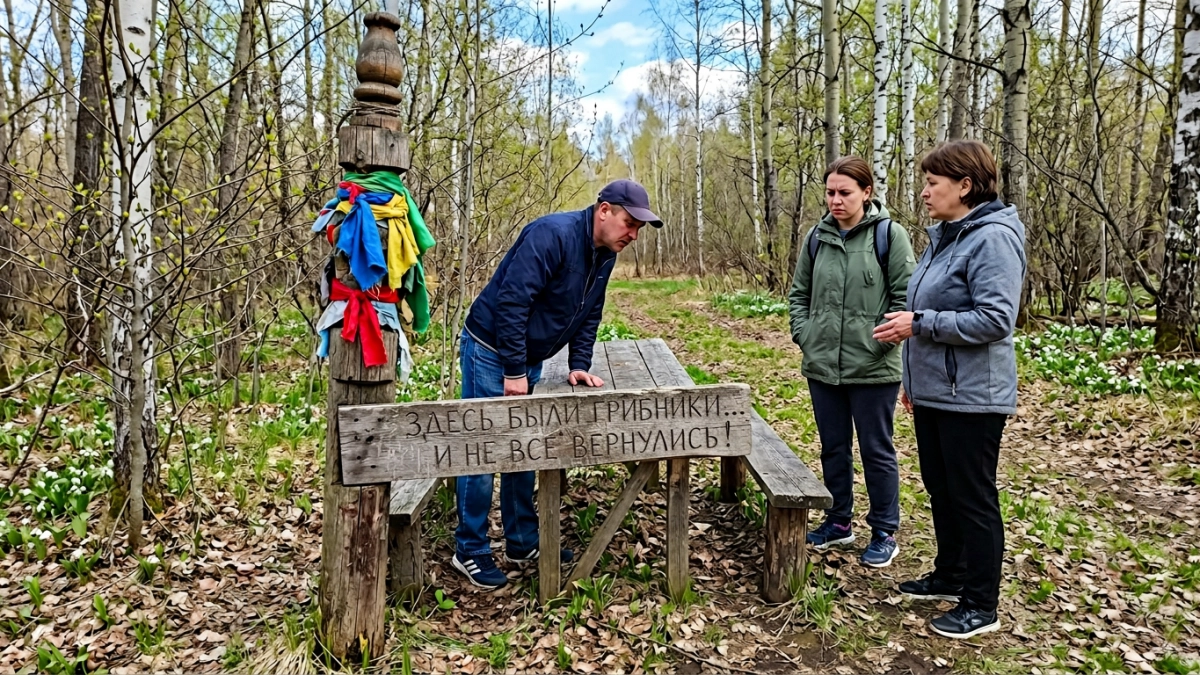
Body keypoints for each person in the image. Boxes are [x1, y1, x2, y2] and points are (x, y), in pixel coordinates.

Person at [453, 179, 662, 590]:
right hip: (490, 349)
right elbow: (513, 301)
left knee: (524, 446)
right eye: (629, 222)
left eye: (639, 228)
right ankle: (470, 550)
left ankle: (522, 540)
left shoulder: (605, 252)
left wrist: (579, 363)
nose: (633, 234)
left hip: (526, 357)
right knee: (482, 451)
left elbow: (590, 310)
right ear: (604, 210)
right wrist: (514, 370)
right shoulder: (552, 234)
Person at [873, 140, 1027, 639]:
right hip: (938, 391)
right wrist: (914, 382)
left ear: (965, 186)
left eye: (932, 183)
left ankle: (981, 604)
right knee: (942, 490)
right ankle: (951, 574)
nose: (924, 192)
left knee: (972, 496)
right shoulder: (944, 237)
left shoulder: (993, 238)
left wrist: (920, 322)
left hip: (975, 396)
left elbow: (995, 319)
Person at [787, 156, 916, 568]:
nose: (836, 201)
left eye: (845, 192)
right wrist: (805, 336)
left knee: (877, 450)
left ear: (866, 192)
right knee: (833, 447)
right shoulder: (816, 238)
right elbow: (798, 294)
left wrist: (880, 345)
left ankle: (884, 530)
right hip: (823, 366)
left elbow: (906, 299)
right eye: (830, 193)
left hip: (874, 368)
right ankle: (839, 521)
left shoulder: (889, 237)